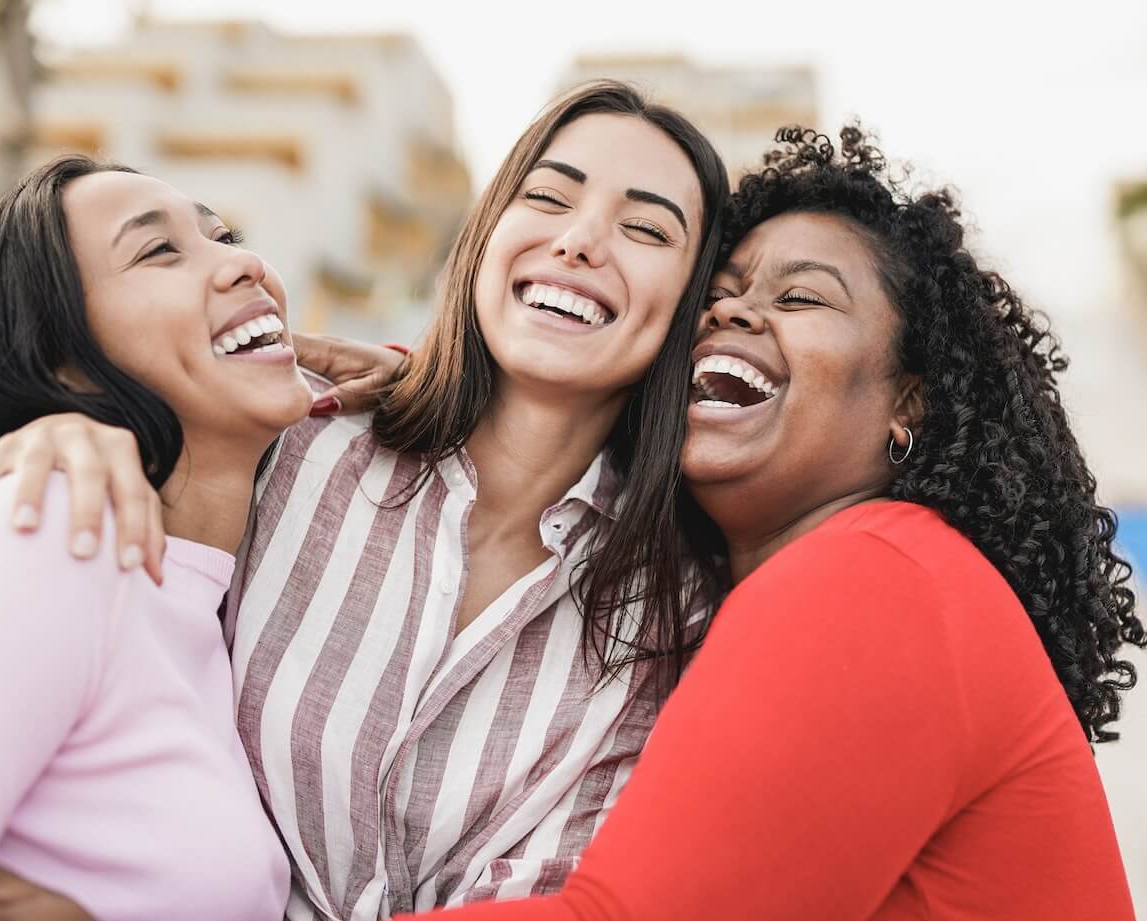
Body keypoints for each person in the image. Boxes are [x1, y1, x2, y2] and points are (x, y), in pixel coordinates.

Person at [0, 81, 729, 919]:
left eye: (646, 229)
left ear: (693, 305)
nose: (580, 242)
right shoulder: (286, 448)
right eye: (545, 197)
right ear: (486, 231)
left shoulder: (676, 614)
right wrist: (42, 438)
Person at [376, 126, 1144, 919]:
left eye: (801, 296)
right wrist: (419, 385)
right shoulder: (783, 582)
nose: (733, 314)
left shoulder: (873, 579)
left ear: (908, 401)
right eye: (717, 296)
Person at [0, 156, 308, 919]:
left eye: (225, 234)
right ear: (66, 366)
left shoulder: (211, 596)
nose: (243, 262)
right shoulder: (50, 528)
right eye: (158, 251)